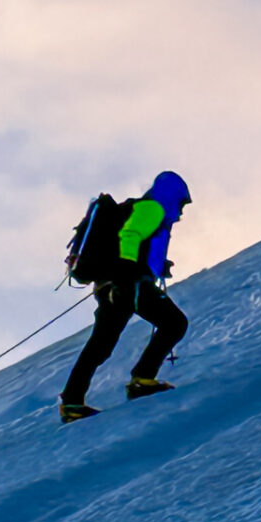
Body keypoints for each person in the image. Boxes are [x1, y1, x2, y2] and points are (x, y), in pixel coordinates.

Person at [59, 171, 191, 422]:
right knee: (174, 323)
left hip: (111, 284)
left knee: (101, 344)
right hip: (128, 283)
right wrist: (129, 272)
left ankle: (72, 402)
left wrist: (155, 266)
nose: (182, 212)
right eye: (182, 203)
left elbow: (135, 242)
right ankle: (142, 379)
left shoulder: (141, 208)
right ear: (173, 195)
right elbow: (129, 236)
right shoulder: (153, 208)